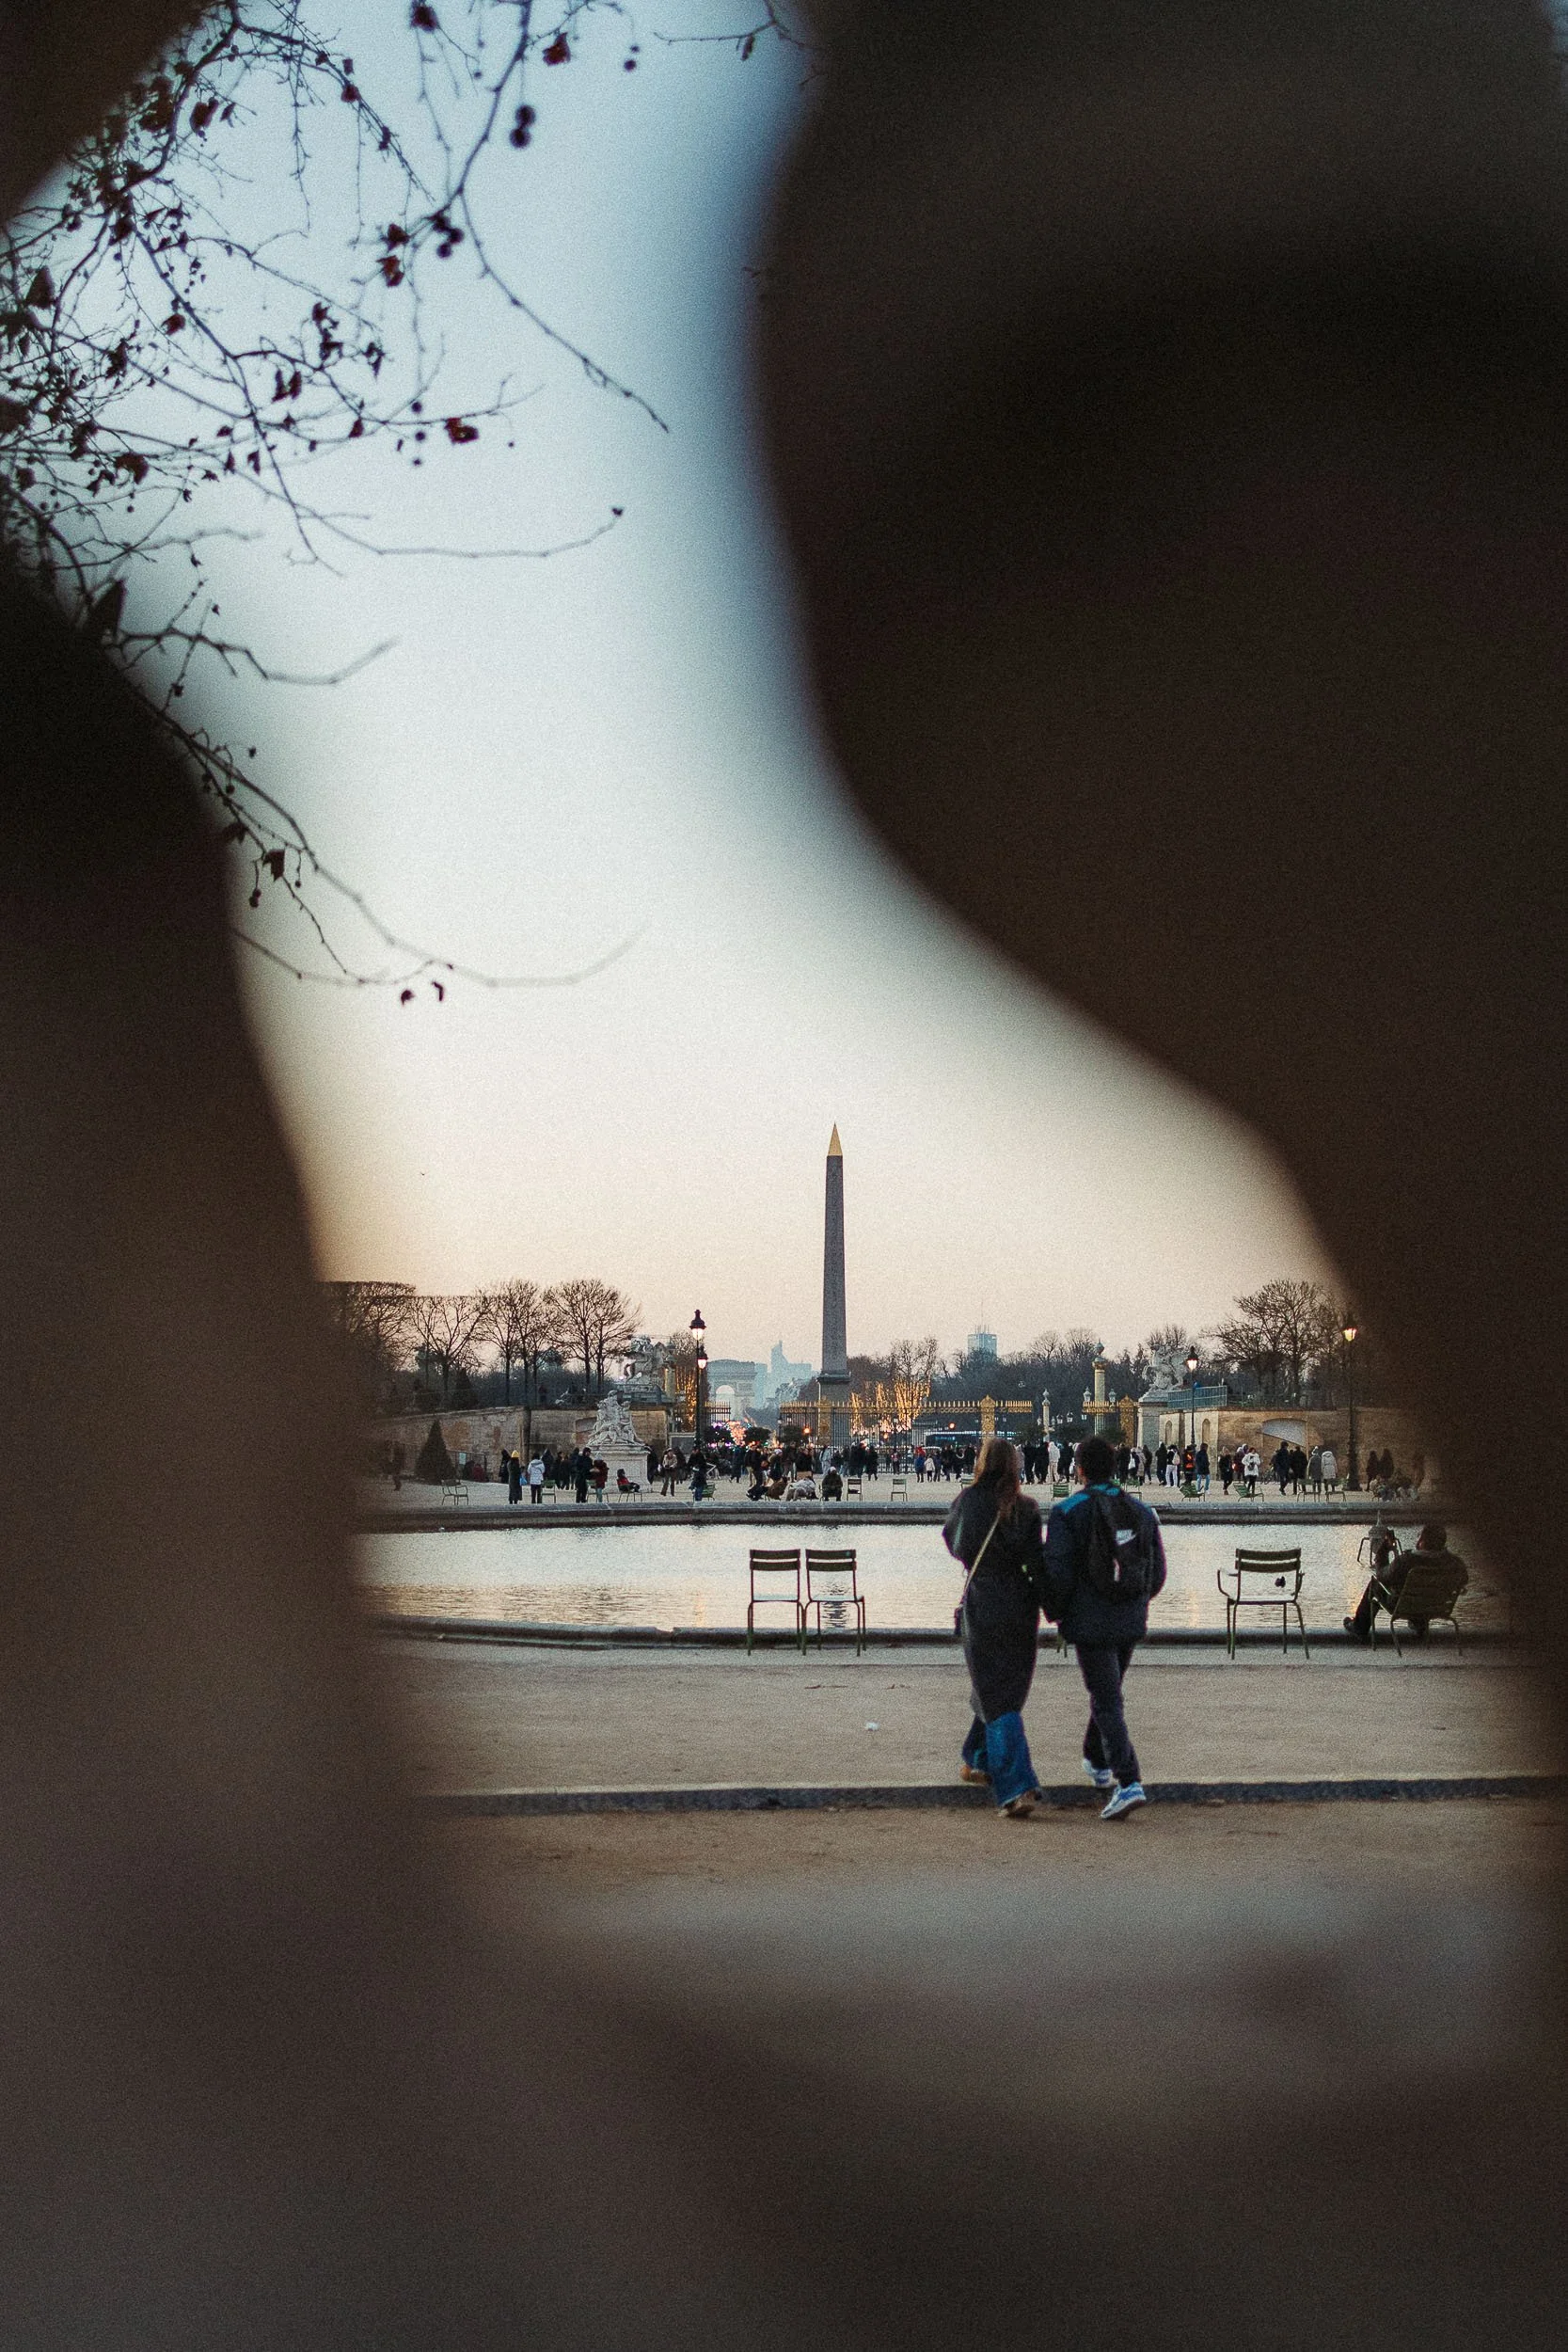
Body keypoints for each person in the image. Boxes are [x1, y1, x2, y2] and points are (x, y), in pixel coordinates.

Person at [1041, 1435, 1166, 1820]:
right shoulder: (1142, 1512)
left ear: (1078, 1469)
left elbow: (1056, 1573)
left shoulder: (1067, 1512)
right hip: (1129, 1615)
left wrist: (1058, 1613)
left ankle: (1128, 1782)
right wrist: (1138, 1601)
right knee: (1108, 1692)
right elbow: (1157, 1572)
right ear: (1115, 1467)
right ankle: (1095, 1759)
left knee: (1107, 1698)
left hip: (1088, 1617)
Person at [943, 1438, 1048, 1818]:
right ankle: (990, 1767)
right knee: (1003, 1691)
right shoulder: (1026, 1509)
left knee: (996, 1694)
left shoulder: (967, 1503)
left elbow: (954, 1545)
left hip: (983, 1602)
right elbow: (1038, 1565)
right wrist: (1055, 1608)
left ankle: (1007, 1780)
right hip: (1020, 1605)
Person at [1344, 1520, 1467, 1642]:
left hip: (1405, 1606)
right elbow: (1464, 1579)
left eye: (1419, 1536)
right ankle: (1419, 1623)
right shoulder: (1455, 1563)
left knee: (1375, 1584)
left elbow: (1382, 1576)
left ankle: (1359, 1627)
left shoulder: (1406, 1561)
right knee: (1421, 1593)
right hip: (1437, 1606)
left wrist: (1383, 1551)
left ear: (1422, 1542)